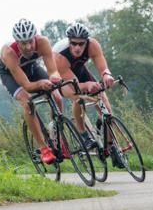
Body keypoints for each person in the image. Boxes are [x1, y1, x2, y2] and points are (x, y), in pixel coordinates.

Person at [52, 23, 122, 166]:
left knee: (105, 106)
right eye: (74, 43)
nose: (77, 47)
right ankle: (83, 134)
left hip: (80, 70)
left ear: (87, 42)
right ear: (69, 41)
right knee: (78, 99)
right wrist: (88, 85)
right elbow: (75, 85)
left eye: (81, 44)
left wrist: (107, 75)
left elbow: (102, 67)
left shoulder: (93, 45)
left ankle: (111, 146)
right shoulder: (60, 55)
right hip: (62, 77)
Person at [0, 18, 63, 164]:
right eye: (23, 43)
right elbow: (27, 86)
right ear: (16, 41)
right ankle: (43, 148)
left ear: (35, 37)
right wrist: (41, 83)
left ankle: (57, 134)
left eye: (30, 41)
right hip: (10, 74)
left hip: (32, 67)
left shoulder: (43, 42)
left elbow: (53, 71)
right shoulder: (10, 52)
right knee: (28, 103)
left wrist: (54, 78)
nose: (27, 47)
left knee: (57, 96)